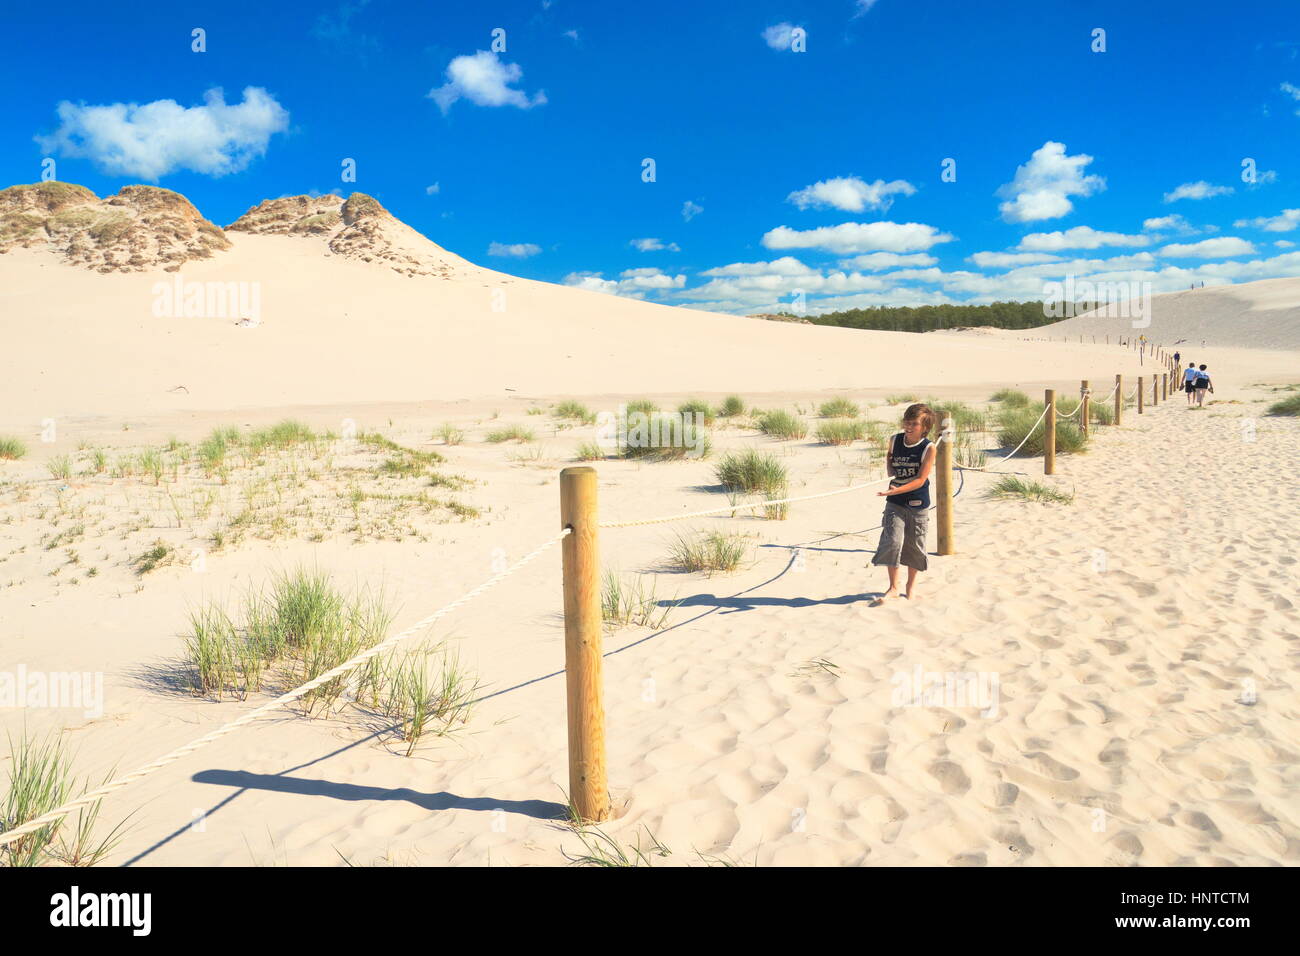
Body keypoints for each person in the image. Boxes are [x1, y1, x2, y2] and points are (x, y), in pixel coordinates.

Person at [871, 403, 937, 604]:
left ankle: (911, 586)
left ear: (924, 427)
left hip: (917, 501)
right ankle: (893, 587)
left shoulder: (929, 448)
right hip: (895, 501)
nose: (908, 427)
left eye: (914, 424)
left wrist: (894, 489)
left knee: (915, 545)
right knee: (892, 541)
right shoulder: (895, 440)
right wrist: (890, 467)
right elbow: (891, 463)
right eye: (906, 422)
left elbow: (919, 479)